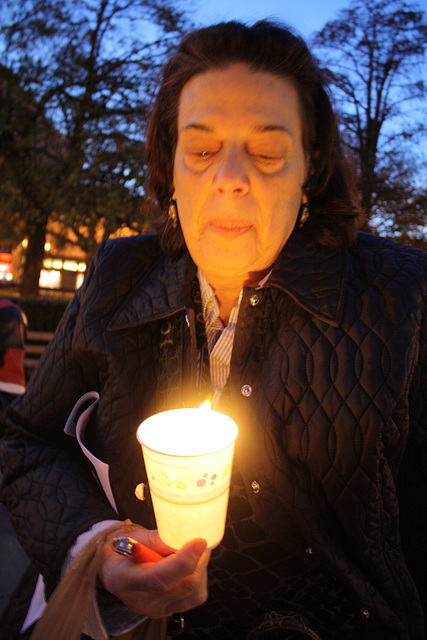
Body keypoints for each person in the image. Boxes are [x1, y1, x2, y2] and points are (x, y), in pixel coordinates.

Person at [0, 19, 426, 640]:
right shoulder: (120, 276)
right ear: (170, 170)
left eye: (268, 151)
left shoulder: (402, 295)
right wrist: (111, 550)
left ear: (309, 172)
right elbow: (27, 444)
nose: (229, 175)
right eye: (200, 150)